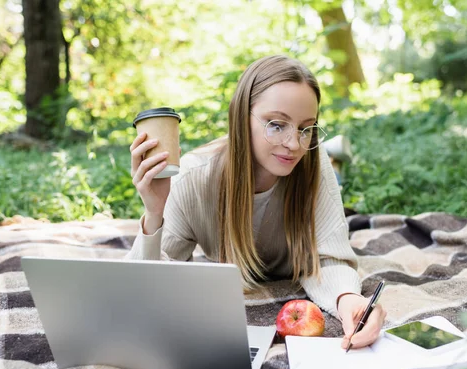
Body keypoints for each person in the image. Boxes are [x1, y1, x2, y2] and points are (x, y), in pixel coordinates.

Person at [127, 55, 386, 350]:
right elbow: (147, 287)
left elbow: (327, 256)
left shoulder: (313, 163)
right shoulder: (194, 178)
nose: (294, 144)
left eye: (306, 128)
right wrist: (154, 212)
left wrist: (348, 299)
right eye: (277, 125)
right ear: (241, 118)